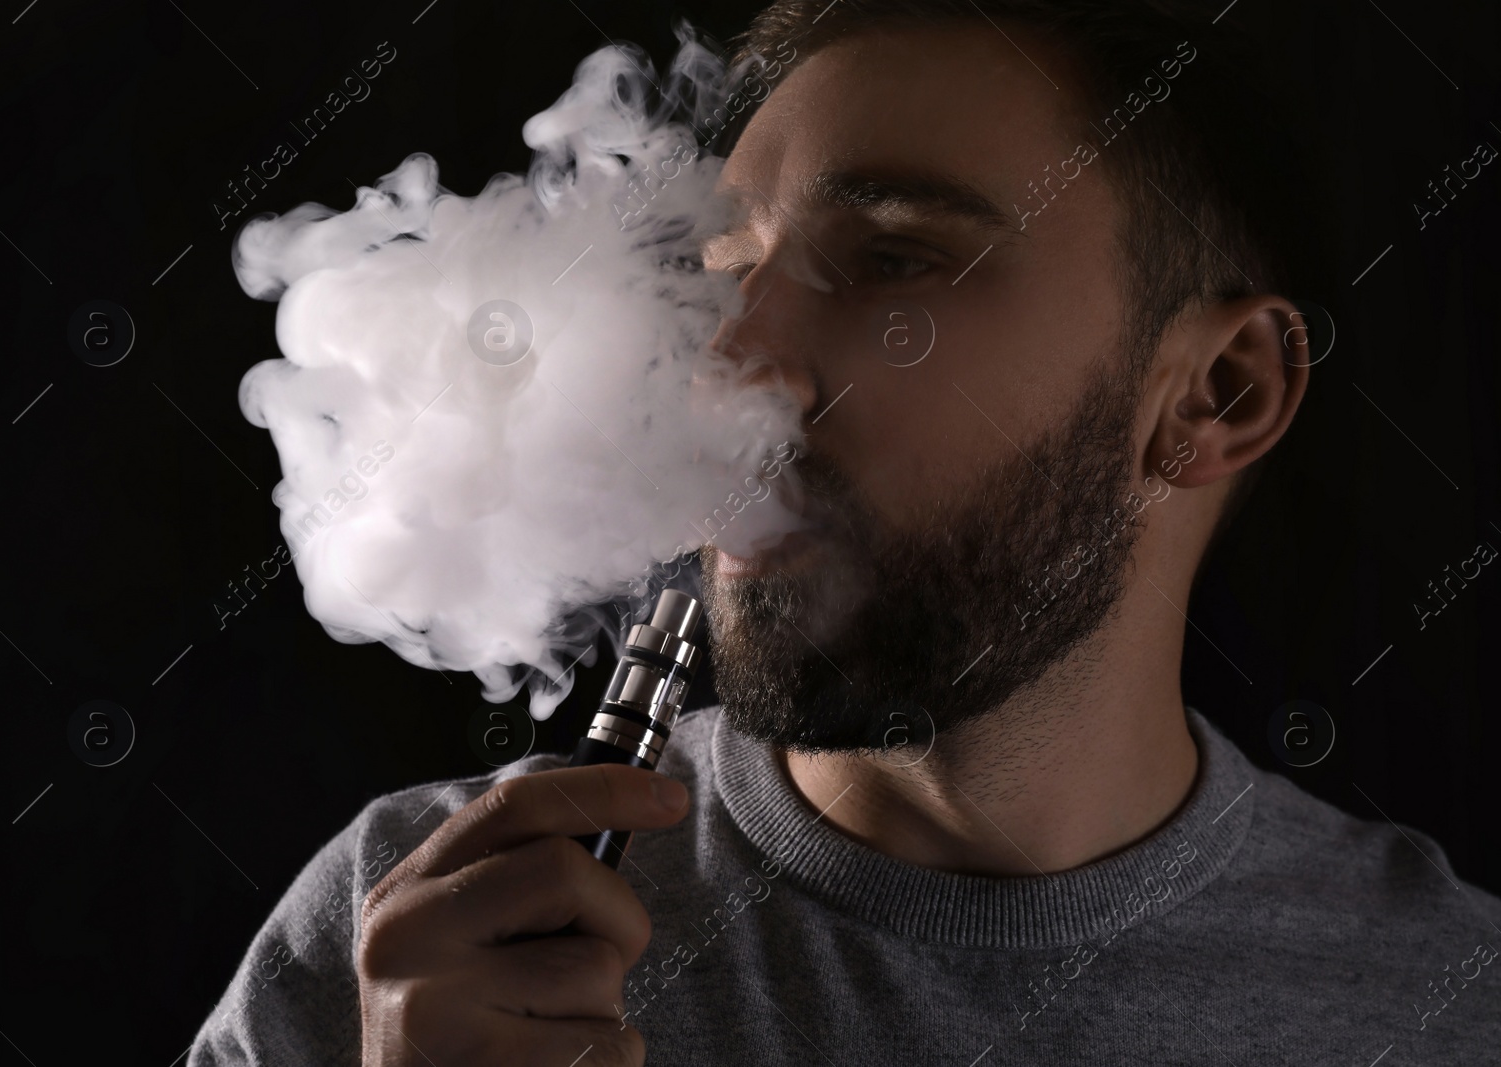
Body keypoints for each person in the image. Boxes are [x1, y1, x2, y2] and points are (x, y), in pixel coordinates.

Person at [189, 2, 1501, 1064]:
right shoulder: (401, 945)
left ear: (1221, 394)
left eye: (890, 259)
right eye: (723, 277)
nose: (725, 371)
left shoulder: (1451, 1004)